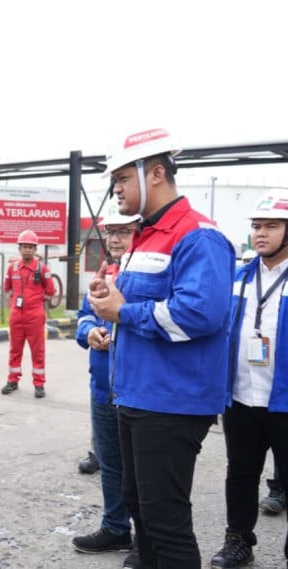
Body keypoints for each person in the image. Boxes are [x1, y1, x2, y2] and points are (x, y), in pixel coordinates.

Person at [89, 127, 236, 568]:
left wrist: (124, 311)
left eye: (122, 178)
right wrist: (110, 297)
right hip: (136, 396)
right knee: (142, 512)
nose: (116, 188)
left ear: (155, 173)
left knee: (166, 523)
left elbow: (199, 314)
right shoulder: (146, 237)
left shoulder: (197, 235)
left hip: (172, 402)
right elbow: (139, 304)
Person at [211, 190, 288, 568]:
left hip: (284, 400)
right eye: (257, 226)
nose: (261, 233)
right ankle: (238, 541)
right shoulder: (237, 277)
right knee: (240, 473)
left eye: (271, 226)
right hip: (241, 397)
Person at [72, 211, 140, 560]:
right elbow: (83, 316)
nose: (114, 239)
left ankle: (147, 540)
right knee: (111, 464)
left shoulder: (148, 278)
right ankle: (116, 528)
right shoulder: (105, 274)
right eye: (111, 232)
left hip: (137, 390)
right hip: (103, 386)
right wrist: (90, 332)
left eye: (123, 232)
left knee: (141, 471)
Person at [1, 229, 55, 398]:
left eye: (30, 247)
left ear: (35, 249)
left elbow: (50, 291)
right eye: (24, 247)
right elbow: (7, 288)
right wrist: (16, 301)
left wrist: (36, 301)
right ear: (20, 248)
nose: (27, 250)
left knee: (37, 351)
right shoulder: (12, 268)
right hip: (16, 316)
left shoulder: (42, 269)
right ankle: (12, 380)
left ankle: (39, 384)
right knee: (15, 349)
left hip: (35, 316)